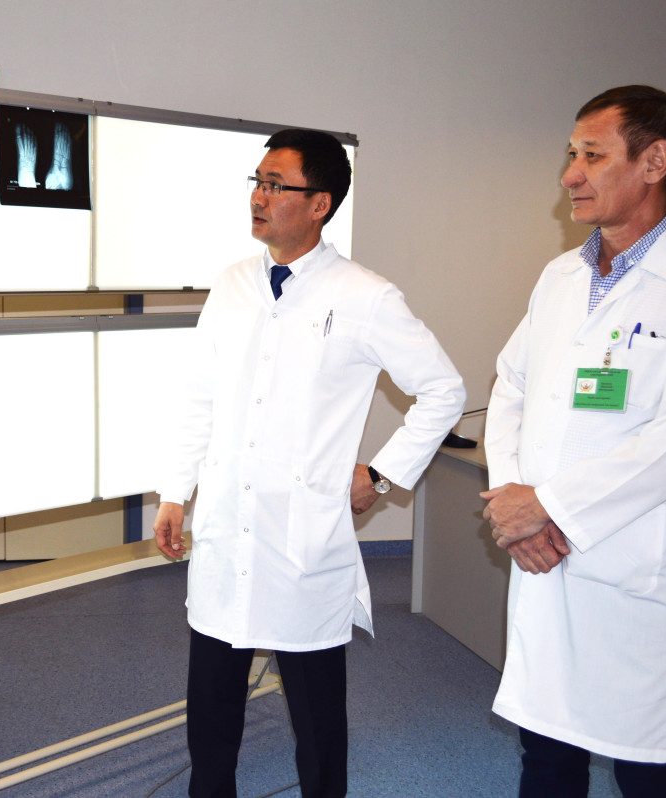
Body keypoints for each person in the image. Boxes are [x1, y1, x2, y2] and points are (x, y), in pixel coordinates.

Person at [154, 128, 465, 797]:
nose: (259, 197)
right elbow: (199, 395)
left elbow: (444, 390)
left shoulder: (364, 295)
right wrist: (174, 492)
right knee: (211, 714)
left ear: (320, 203)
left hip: (302, 541)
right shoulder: (233, 285)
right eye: (257, 182)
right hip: (226, 529)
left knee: (317, 721)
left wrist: (381, 474)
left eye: (276, 185)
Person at [482, 85, 666, 797]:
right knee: (546, 758)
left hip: (633, 571)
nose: (569, 175)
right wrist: (514, 502)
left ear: (654, 162)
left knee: (650, 770)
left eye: (591, 155)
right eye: (571, 155)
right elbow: (511, 385)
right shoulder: (560, 276)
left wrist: (547, 506)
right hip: (543, 558)